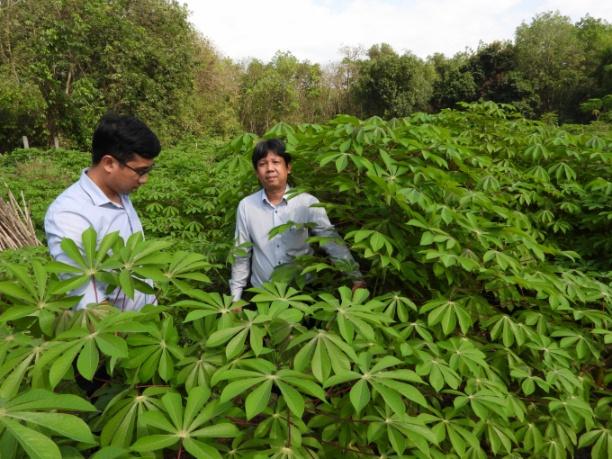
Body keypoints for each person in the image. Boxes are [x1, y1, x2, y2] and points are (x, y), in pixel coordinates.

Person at [44, 113, 160, 311]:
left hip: (146, 321)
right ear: (109, 163)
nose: (144, 180)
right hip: (117, 333)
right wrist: (117, 335)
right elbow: (84, 295)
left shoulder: (120, 192)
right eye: (140, 171)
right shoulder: (69, 213)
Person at [230, 138, 364, 301]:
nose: (270, 168)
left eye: (276, 162)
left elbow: (331, 242)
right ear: (257, 172)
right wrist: (234, 299)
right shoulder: (246, 206)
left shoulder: (307, 202)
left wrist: (356, 277)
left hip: (303, 291)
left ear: (288, 168)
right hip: (263, 294)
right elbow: (241, 252)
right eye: (263, 163)